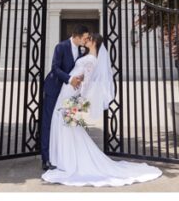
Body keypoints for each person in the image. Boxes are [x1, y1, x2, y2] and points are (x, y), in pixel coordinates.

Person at [42, 33, 162, 187]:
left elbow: (87, 83)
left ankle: (68, 160)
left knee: (67, 125)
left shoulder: (92, 60)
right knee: (64, 125)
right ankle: (61, 158)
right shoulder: (85, 55)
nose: (85, 40)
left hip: (71, 94)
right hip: (66, 90)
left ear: (94, 43)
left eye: (89, 39)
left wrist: (77, 101)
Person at [41, 25, 89, 170]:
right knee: (48, 122)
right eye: (84, 38)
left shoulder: (81, 51)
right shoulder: (60, 47)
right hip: (54, 89)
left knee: (67, 122)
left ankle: (62, 155)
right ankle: (46, 158)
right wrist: (70, 79)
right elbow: (55, 68)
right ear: (76, 36)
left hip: (69, 93)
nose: (86, 41)